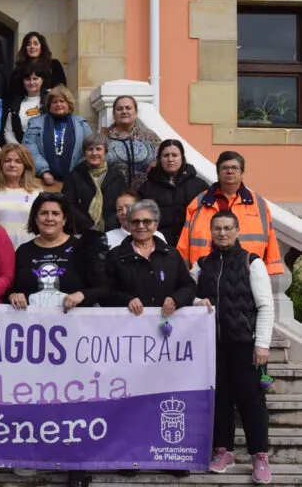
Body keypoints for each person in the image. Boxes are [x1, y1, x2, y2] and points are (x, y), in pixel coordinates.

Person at [191, 211, 274, 484]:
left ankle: (259, 455)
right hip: (213, 345)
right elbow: (186, 293)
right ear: (211, 232)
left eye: (228, 228)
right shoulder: (202, 264)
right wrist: (195, 302)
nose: (222, 233)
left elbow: (265, 306)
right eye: (217, 228)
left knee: (251, 401)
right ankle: (223, 450)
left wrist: (262, 344)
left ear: (237, 231)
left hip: (245, 345)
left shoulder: (252, 262)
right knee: (220, 399)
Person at [177, 151, 283, 275]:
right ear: (218, 173)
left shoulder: (258, 203)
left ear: (241, 172)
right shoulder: (200, 202)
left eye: (234, 168)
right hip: (207, 272)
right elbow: (185, 241)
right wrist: (182, 273)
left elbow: (270, 238)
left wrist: (270, 270)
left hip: (246, 273)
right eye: (225, 168)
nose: (230, 171)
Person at [9, 193, 106, 310]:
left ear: (64, 219)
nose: (49, 218)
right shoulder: (23, 251)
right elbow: (9, 287)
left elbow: (104, 289)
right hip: (31, 324)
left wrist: (82, 295)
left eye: (55, 213)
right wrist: (12, 295)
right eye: (44, 213)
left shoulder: (83, 247)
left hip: (75, 324)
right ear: (36, 218)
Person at [105, 199, 196, 314]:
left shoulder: (171, 254)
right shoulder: (115, 255)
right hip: (128, 326)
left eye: (147, 221)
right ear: (129, 224)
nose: (141, 226)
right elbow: (106, 291)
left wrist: (175, 299)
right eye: (135, 222)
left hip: (167, 324)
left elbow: (189, 286)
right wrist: (127, 300)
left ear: (156, 225)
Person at [138, 139, 209, 246]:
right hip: (158, 245)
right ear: (159, 159)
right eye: (166, 155)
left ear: (182, 158)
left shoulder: (199, 185)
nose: (170, 159)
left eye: (174, 155)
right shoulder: (147, 188)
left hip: (191, 244)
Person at [23, 85, 92, 190]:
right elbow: (29, 149)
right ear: (49, 105)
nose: (58, 104)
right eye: (54, 102)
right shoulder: (36, 123)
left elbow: (89, 149)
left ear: (68, 104)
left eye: (62, 101)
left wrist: (76, 173)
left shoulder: (81, 124)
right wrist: (44, 171)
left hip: (75, 181)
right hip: (42, 181)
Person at [62, 133, 127, 235]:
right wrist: (89, 225)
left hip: (113, 231)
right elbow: (68, 204)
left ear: (105, 151)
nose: (94, 153)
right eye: (90, 149)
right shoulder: (74, 176)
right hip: (82, 232)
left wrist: (109, 224)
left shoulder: (117, 176)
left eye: (98, 149)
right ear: (84, 153)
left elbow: (123, 203)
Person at [103, 95, 160, 191]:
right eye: (119, 109)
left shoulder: (150, 136)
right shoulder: (104, 136)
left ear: (136, 112)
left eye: (128, 108)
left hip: (144, 195)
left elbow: (162, 160)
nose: (124, 111)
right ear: (113, 114)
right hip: (112, 195)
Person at [0, 144, 42, 250]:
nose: (12, 165)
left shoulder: (37, 193)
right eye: (7, 160)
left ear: (25, 166)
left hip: (29, 252)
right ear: (1, 164)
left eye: (18, 161)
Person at [9, 31, 66, 103]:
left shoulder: (53, 65)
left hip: (48, 107)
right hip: (25, 108)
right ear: (25, 48)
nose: (32, 47)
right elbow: (13, 94)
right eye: (29, 44)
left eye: (35, 44)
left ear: (41, 47)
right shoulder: (18, 70)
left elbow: (61, 88)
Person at [2, 63, 47, 145]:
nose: (31, 82)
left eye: (35, 78)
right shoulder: (15, 105)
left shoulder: (49, 101)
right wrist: (20, 150)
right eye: (28, 79)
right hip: (21, 153)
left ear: (42, 80)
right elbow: (8, 132)